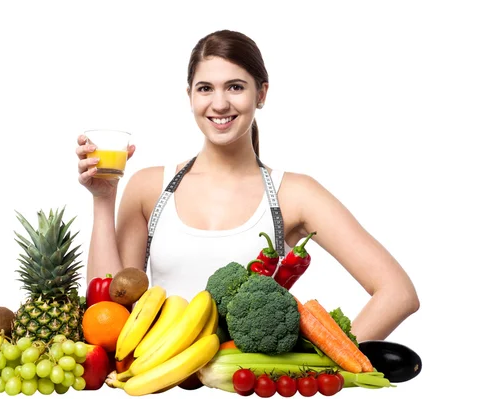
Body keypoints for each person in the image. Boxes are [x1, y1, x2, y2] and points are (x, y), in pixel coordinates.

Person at [75, 29, 419, 342]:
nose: (220, 103)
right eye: (205, 88)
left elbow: (397, 294)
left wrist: (325, 366)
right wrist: (103, 200)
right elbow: (108, 311)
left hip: (251, 386)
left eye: (235, 87)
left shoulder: (296, 194)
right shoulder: (149, 187)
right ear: (190, 96)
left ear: (261, 94)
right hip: (156, 383)